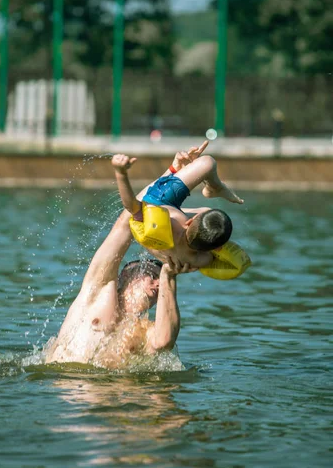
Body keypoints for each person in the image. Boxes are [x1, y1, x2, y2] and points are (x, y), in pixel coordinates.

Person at [45, 151, 197, 370]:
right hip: (69, 395)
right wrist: (172, 173)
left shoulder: (144, 330)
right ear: (125, 275)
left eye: (159, 281)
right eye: (151, 276)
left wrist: (168, 277)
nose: (156, 285)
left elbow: (164, 342)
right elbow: (126, 223)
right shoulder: (97, 291)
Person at [112, 140, 244, 271]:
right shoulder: (197, 260)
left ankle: (215, 187)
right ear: (216, 248)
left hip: (156, 205)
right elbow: (212, 257)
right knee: (209, 219)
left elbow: (131, 206)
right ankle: (207, 189)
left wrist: (121, 173)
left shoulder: (163, 223)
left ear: (189, 222)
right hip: (163, 241)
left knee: (207, 163)